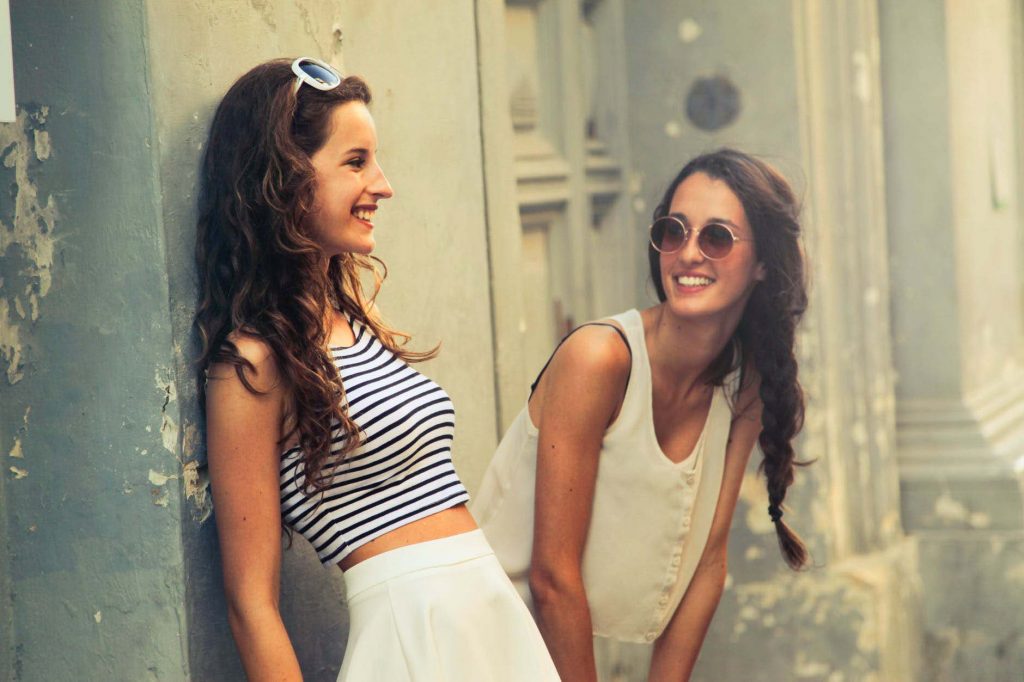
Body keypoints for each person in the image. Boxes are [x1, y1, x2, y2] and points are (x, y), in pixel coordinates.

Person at [195, 57, 559, 682]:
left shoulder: (355, 321)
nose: (383, 185)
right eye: (356, 161)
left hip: (490, 617)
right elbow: (250, 604)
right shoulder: (251, 366)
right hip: (411, 634)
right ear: (283, 179)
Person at [472, 148, 810, 681]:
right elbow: (553, 577)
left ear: (763, 263)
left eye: (716, 237)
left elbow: (708, 564)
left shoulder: (745, 384)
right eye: (673, 232)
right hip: (481, 645)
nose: (689, 253)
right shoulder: (599, 358)